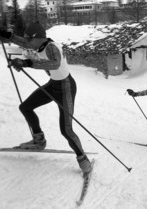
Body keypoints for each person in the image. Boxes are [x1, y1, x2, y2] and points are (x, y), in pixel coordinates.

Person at [0, 22, 92, 174]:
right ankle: (39, 140)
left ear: (39, 38)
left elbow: (54, 64)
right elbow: (22, 42)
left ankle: (83, 160)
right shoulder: (38, 44)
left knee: (66, 130)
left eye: (30, 39)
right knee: (25, 107)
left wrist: (26, 62)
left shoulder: (52, 47)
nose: (27, 42)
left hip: (66, 88)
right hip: (53, 85)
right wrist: (7, 35)